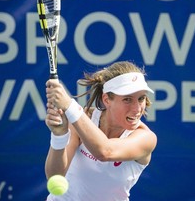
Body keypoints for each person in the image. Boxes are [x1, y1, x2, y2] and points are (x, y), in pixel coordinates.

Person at [45, 61, 157, 201]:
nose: (137, 109)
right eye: (127, 99)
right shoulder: (82, 120)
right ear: (107, 100)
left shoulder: (146, 138)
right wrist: (59, 136)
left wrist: (69, 105)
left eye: (141, 98)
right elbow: (55, 176)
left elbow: (105, 151)